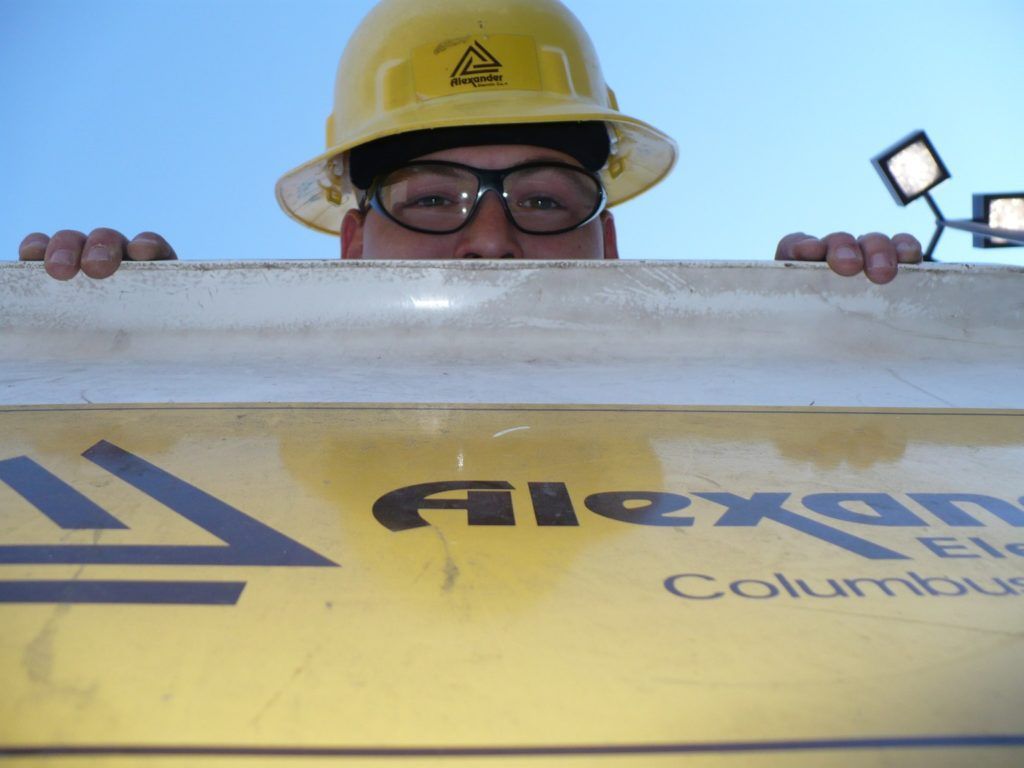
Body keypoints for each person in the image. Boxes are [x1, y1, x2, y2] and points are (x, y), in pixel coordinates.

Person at [17, 0, 920, 282]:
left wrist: (851, 340)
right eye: (433, 199)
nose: (491, 240)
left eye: (540, 200)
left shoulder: (734, 398)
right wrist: (128, 346)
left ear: (605, 241)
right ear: (354, 238)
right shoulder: (238, 414)